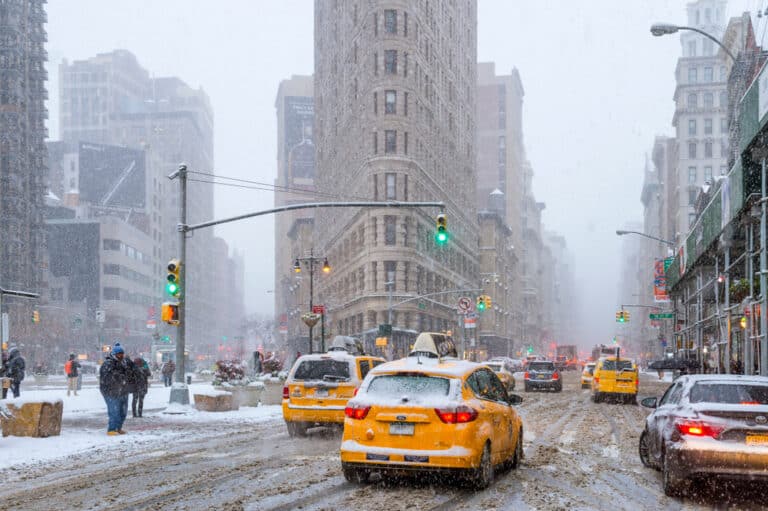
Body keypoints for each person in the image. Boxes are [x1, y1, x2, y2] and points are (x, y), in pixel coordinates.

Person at [99, 343, 130, 435]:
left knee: (123, 412)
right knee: (114, 411)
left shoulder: (124, 363)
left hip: (123, 391)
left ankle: (118, 428)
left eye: (122, 354)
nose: (121, 355)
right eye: (119, 354)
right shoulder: (107, 364)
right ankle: (111, 429)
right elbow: (106, 378)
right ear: (114, 354)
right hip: (110, 392)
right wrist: (118, 378)